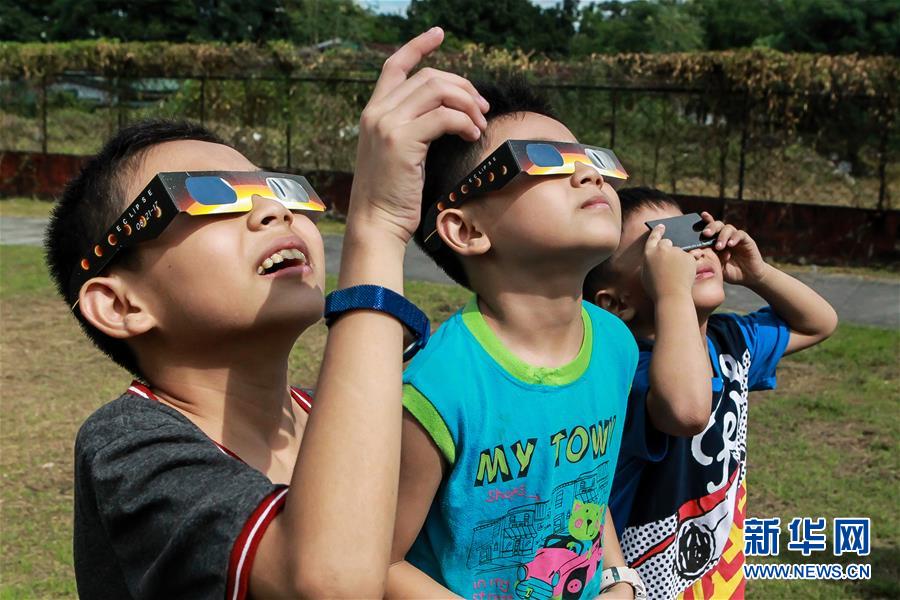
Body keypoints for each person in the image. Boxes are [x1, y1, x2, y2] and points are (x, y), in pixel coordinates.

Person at [45, 28, 491, 599]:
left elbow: (386, 569)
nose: (271, 210)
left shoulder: (335, 417)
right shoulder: (128, 445)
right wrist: (377, 226)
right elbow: (331, 583)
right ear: (120, 303)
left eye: (276, 188)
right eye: (210, 195)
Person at [387, 80, 643, 599]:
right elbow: (378, 561)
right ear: (465, 230)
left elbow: (585, 494)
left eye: (589, 158)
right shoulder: (435, 387)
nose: (590, 174)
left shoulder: (616, 343)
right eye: (546, 161)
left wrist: (618, 578)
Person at [583, 187, 838, 599]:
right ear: (616, 303)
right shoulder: (626, 373)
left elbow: (818, 323)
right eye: (661, 246)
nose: (692, 251)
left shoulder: (730, 341)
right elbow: (686, 410)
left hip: (719, 579)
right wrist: (673, 293)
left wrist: (758, 274)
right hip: (642, 584)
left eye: (693, 232)